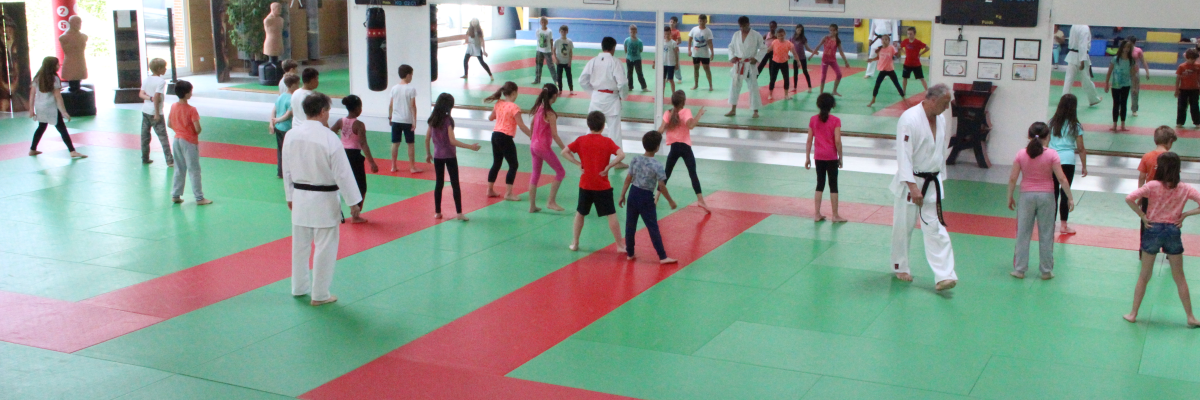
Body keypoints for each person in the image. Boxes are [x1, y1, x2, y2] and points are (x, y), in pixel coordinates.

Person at [283, 92, 362, 307]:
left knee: (299, 247)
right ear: (323, 111)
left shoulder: (291, 135)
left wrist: (289, 196)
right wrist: (353, 201)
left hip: (299, 197)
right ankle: (319, 294)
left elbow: (287, 170)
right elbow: (343, 173)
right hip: (324, 199)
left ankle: (298, 287)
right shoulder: (328, 137)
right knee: (324, 247)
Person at [890, 84, 957, 291]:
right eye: (945, 103)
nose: (947, 108)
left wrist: (940, 178)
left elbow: (939, 152)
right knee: (904, 226)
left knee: (935, 228)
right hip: (912, 183)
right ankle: (900, 266)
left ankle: (944, 275)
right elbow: (904, 155)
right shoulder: (909, 119)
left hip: (932, 182)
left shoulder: (942, 119)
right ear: (933, 100)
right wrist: (912, 186)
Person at [1123, 152, 1200, 328]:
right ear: (1178, 169)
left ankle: (1133, 313)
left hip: (1152, 229)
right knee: (1179, 276)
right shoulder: (1185, 188)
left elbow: (1129, 198)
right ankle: (1190, 317)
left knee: (1144, 275)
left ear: (1159, 168)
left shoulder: (1152, 185)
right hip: (1173, 230)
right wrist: (1186, 214)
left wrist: (1142, 216)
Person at [1006, 122, 1074, 280]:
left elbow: (1012, 178)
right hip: (1047, 197)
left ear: (1029, 136)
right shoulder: (1052, 154)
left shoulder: (1021, 154)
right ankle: (1046, 270)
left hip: (1026, 196)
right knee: (1046, 233)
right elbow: (1062, 178)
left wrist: (1009, 196)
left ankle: (1020, 269)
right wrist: (1069, 197)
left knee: (1023, 233)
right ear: (1047, 137)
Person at [562, 111, 626, 253]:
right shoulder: (607, 142)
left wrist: (577, 163)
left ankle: (575, 242)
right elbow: (622, 154)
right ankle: (620, 245)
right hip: (602, 185)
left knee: (580, 213)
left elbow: (564, 152)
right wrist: (609, 166)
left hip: (585, 184)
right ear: (603, 126)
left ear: (588, 125)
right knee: (611, 214)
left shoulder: (580, 140)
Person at [619, 131, 678, 264]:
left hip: (633, 194)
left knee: (630, 225)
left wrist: (622, 195)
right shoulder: (657, 165)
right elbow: (662, 186)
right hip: (646, 197)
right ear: (657, 147)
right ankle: (662, 256)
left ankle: (630, 253)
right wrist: (671, 201)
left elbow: (628, 179)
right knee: (652, 227)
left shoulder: (635, 159)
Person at [425, 93, 481, 221]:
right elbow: (452, 141)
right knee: (455, 183)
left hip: (438, 156)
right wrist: (470, 147)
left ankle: (437, 212)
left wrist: (428, 153)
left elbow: (427, 138)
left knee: (439, 183)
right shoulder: (447, 121)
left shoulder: (432, 119)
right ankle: (459, 213)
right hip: (449, 156)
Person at [656, 90, 710, 212]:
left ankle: (656, 198)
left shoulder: (668, 113)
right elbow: (691, 126)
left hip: (674, 147)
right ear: (683, 102)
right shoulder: (686, 112)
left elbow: (661, 129)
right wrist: (699, 115)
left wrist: (653, 138)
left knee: (666, 174)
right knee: (692, 174)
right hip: (685, 148)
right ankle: (700, 200)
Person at [331, 95, 378, 223]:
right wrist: (372, 162)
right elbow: (363, 144)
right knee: (361, 186)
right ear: (357, 109)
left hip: (342, 155)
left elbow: (330, 132)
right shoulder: (359, 125)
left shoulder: (340, 121)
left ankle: (339, 212)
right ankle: (355, 214)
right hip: (354, 157)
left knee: (342, 183)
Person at [27, 57, 85, 159]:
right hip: (50, 107)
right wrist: (64, 112)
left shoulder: (37, 77)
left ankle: (32, 149)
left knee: (41, 127)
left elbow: (32, 94)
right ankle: (72, 151)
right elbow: (58, 97)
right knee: (62, 129)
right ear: (52, 66)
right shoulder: (54, 78)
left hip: (40, 106)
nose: (59, 66)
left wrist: (31, 109)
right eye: (57, 64)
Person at [580, 36, 629, 157]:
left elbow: (582, 80)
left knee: (591, 128)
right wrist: (623, 95)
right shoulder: (615, 62)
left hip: (596, 97)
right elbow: (622, 83)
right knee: (614, 131)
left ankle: (586, 154)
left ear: (602, 47)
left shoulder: (593, 61)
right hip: (611, 99)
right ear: (613, 48)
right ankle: (617, 159)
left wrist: (593, 93)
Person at [484, 82, 532, 201]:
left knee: (497, 162)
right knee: (513, 164)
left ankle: (490, 189)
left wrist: (500, 115)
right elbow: (521, 125)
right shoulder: (514, 107)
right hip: (505, 137)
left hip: (495, 136)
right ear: (514, 93)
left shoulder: (499, 103)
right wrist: (532, 135)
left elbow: (490, 118)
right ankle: (509, 193)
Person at [1048, 94, 1088, 234]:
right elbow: (1081, 148)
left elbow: (1046, 144)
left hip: (1052, 160)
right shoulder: (1076, 126)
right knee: (1065, 192)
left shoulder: (1051, 123)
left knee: (1052, 193)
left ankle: (1050, 224)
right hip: (1068, 161)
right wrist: (1084, 165)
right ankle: (1064, 225)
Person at [527, 84, 568, 213]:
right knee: (560, 172)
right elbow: (555, 135)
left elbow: (532, 123)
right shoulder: (550, 114)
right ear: (555, 96)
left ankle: (532, 206)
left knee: (535, 174)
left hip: (533, 146)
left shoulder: (539, 108)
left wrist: (532, 137)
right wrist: (565, 148)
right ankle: (551, 201)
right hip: (543, 147)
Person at [168, 80, 209, 205]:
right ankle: (199, 197)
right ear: (186, 94)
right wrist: (191, 132)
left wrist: (180, 130)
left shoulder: (173, 106)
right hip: (189, 141)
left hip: (177, 140)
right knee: (194, 169)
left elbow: (169, 124)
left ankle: (175, 194)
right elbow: (197, 128)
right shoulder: (192, 110)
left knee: (179, 168)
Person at [805, 93, 844, 222]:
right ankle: (835, 215)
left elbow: (809, 140)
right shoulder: (835, 120)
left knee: (819, 184)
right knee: (833, 185)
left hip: (819, 156)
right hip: (831, 156)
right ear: (832, 105)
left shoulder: (813, 119)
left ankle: (817, 214)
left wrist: (807, 158)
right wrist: (840, 157)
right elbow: (837, 141)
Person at [725, 16, 765, 118]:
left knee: (753, 87)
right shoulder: (736, 35)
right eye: (741, 26)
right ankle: (733, 109)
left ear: (748, 24)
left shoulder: (756, 35)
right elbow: (731, 47)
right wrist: (732, 56)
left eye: (744, 26)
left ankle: (755, 111)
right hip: (738, 64)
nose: (742, 28)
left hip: (749, 64)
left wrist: (756, 58)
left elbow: (763, 48)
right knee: (734, 87)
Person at [388, 65, 422, 173]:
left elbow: (391, 105)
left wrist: (390, 117)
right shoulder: (411, 89)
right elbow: (413, 106)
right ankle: (412, 167)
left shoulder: (394, 88)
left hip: (396, 120)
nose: (412, 77)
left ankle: (393, 166)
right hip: (407, 121)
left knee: (395, 143)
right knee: (410, 144)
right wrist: (414, 121)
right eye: (411, 74)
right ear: (408, 75)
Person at [139, 58, 172, 166]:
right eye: (164, 67)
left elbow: (141, 94)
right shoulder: (161, 81)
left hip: (145, 111)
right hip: (154, 112)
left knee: (145, 136)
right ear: (159, 69)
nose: (165, 69)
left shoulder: (147, 79)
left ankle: (145, 158)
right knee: (163, 137)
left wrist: (150, 98)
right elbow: (157, 96)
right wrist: (157, 113)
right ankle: (169, 160)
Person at [1063, 24, 1103, 107]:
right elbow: (1083, 45)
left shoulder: (1074, 25)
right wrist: (1082, 60)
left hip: (1072, 55)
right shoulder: (1084, 27)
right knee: (1086, 80)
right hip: (1081, 56)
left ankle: (1064, 100)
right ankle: (1093, 99)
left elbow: (1072, 41)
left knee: (1068, 79)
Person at [270, 74, 300, 178]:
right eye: (297, 84)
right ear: (292, 85)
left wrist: (273, 122)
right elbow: (288, 114)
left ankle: (280, 172)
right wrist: (278, 119)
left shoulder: (281, 96)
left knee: (280, 150)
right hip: (287, 128)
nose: (299, 86)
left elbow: (274, 110)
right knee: (290, 151)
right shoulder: (292, 99)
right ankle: (291, 172)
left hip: (278, 128)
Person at [810, 24, 850, 96]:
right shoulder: (825, 38)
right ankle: (821, 93)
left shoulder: (837, 40)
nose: (831, 32)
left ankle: (834, 91)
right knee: (823, 76)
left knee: (839, 74)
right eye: (830, 30)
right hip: (825, 60)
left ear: (836, 31)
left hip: (833, 60)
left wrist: (846, 61)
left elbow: (841, 52)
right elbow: (818, 46)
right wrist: (812, 55)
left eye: (833, 30)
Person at [1105, 40, 1135, 132]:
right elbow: (1109, 71)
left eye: (1128, 48)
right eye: (1125, 47)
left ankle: (1123, 124)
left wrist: (1134, 86)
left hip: (1126, 85)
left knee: (1123, 104)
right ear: (1122, 47)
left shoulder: (1131, 61)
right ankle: (1114, 125)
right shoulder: (1115, 59)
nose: (1126, 49)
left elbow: (1132, 74)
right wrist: (1106, 83)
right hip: (1115, 85)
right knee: (1116, 104)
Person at [866, 35, 904, 107]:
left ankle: (903, 98)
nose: (884, 41)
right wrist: (871, 59)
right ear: (881, 40)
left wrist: (899, 50)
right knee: (877, 85)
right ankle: (873, 99)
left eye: (886, 39)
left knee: (896, 84)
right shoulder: (879, 48)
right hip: (882, 70)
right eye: (883, 39)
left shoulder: (891, 48)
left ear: (889, 41)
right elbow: (878, 57)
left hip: (890, 70)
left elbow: (897, 56)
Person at [767, 28, 799, 101]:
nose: (781, 37)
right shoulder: (774, 42)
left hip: (784, 63)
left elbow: (795, 53)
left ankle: (786, 95)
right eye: (779, 36)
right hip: (775, 62)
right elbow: (769, 49)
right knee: (773, 79)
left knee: (786, 78)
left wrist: (798, 61)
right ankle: (770, 94)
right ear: (777, 36)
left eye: (782, 35)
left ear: (785, 34)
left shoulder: (789, 44)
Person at [688, 14, 714, 91]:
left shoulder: (708, 31)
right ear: (698, 21)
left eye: (703, 21)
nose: (701, 22)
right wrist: (689, 50)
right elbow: (690, 39)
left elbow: (710, 43)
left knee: (707, 69)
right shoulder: (694, 29)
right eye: (700, 20)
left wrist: (712, 52)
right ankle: (696, 84)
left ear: (706, 21)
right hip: (695, 53)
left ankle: (710, 85)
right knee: (696, 69)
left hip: (705, 54)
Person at [900, 27, 929, 94]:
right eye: (908, 34)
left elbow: (927, 48)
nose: (909, 35)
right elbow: (900, 47)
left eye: (911, 34)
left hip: (916, 64)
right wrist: (905, 53)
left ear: (914, 34)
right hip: (907, 63)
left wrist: (920, 54)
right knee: (904, 78)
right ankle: (903, 91)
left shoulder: (918, 42)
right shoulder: (905, 41)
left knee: (921, 78)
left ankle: (927, 91)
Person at [1176, 48, 1200, 129]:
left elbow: (1199, 77)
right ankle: (1180, 122)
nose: (1192, 61)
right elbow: (1178, 78)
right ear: (1187, 57)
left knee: (1195, 106)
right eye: (1191, 59)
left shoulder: (1198, 66)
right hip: (1183, 90)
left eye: (1194, 59)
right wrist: (1177, 89)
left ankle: (1197, 122)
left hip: (1194, 89)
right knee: (1181, 106)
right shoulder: (1182, 66)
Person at [1127, 36, 1150, 116]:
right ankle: (1121, 107)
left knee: (1135, 91)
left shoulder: (1138, 50)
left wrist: (1147, 71)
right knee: (1123, 90)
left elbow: (1143, 61)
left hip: (1135, 73)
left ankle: (1134, 109)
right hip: (1125, 72)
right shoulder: (1124, 50)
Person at [532, 16, 558, 85]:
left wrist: (552, 49)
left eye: (544, 22)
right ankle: (537, 79)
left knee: (551, 66)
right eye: (542, 22)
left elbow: (551, 40)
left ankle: (556, 80)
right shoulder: (538, 31)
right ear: (540, 23)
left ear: (547, 23)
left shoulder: (549, 31)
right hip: (539, 50)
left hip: (547, 51)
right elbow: (538, 40)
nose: (543, 23)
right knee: (538, 65)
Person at [623, 25, 648, 92]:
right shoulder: (627, 40)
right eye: (631, 31)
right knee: (629, 73)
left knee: (639, 73)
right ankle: (629, 86)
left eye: (634, 31)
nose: (633, 32)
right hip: (629, 59)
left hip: (637, 59)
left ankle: (644, 87)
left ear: (636, 31)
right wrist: (628, 56)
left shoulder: (639, 41)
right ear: (629, 31)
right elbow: (625, 49)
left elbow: (641, 50)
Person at [790, 24, 814, 93]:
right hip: (795, 58)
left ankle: (809, 86)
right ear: (796, 29)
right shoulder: (792, 38)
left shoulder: (803, 38)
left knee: (805, 71)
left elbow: (807, 48)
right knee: (795, 73)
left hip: (802, 58)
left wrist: (813, 51)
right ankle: (795, 87)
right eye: (798, 29)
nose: (799, 31)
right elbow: (789, 46)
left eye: (800, 30)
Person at [658, 25, 679, 94]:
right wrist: (655, 62)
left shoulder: (673, 43)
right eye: (665, 34)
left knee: (670, 79)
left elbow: (676, 54)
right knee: (662, 80)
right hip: (663, 63)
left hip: (671, 64)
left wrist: (677, 63)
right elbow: (659, 53)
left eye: (668, 34)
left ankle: (674, 94)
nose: (666, 35)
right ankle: (661, 94)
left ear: (670, 33)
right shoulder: (661, 42)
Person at [554, 25, 574, 94]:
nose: (563, 33)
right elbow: (553, 50)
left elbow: (571, 52)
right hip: (559, 61)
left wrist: (570, 61)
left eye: (565, 31)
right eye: (562, 31)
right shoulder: (557, 41)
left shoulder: (569, 41)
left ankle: (571, 89)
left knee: (569, 76)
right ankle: (560, 89)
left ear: (567, 32)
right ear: (559, 32)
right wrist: (555, 59)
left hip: (567, 62)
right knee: (559, 77)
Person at [669, 16, 684, 84]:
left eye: (673, 22)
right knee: (667, 63)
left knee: (676, 63)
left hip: (675, 50)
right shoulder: (667, 31)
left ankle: (679, 78)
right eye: (671, 22)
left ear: (675, 23)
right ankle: (668, 77)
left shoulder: (677, 31)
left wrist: (674, 44)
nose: (672, 23)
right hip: (668, 50)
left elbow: (679, 41)